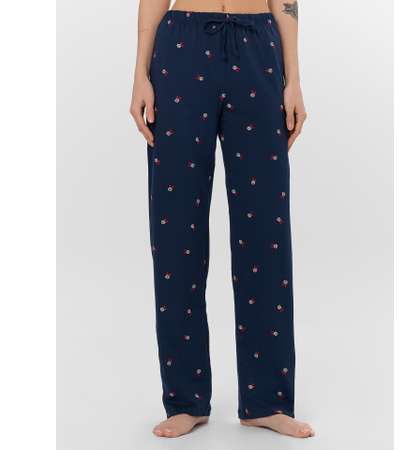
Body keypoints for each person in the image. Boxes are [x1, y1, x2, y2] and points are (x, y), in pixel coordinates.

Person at [130, 0, 313, 439]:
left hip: (258, 47)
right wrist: (140, 73)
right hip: (182, 48)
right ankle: (185, 400)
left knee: (266, 229)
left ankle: (267, 401)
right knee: (176, 231)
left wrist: (294, 78)